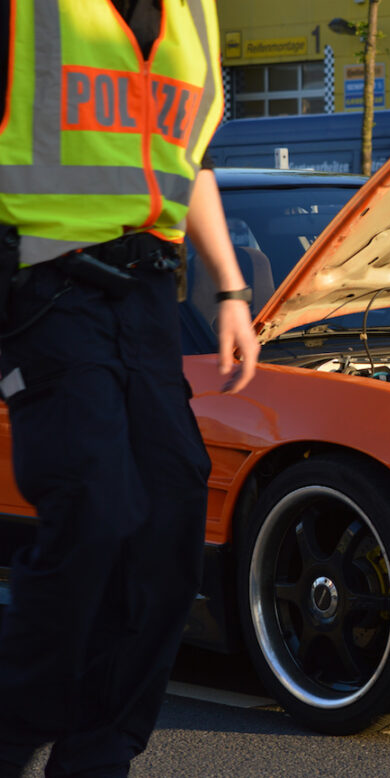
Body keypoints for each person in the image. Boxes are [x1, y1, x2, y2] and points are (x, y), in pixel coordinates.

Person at [0, 1, 259, 775]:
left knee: (170, 526)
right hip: (45, 288)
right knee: (97, 507)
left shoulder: (193, 14)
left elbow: (193, 161)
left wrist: (232, 291)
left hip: (148, 296)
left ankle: (99, 757)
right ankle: (10, 735)